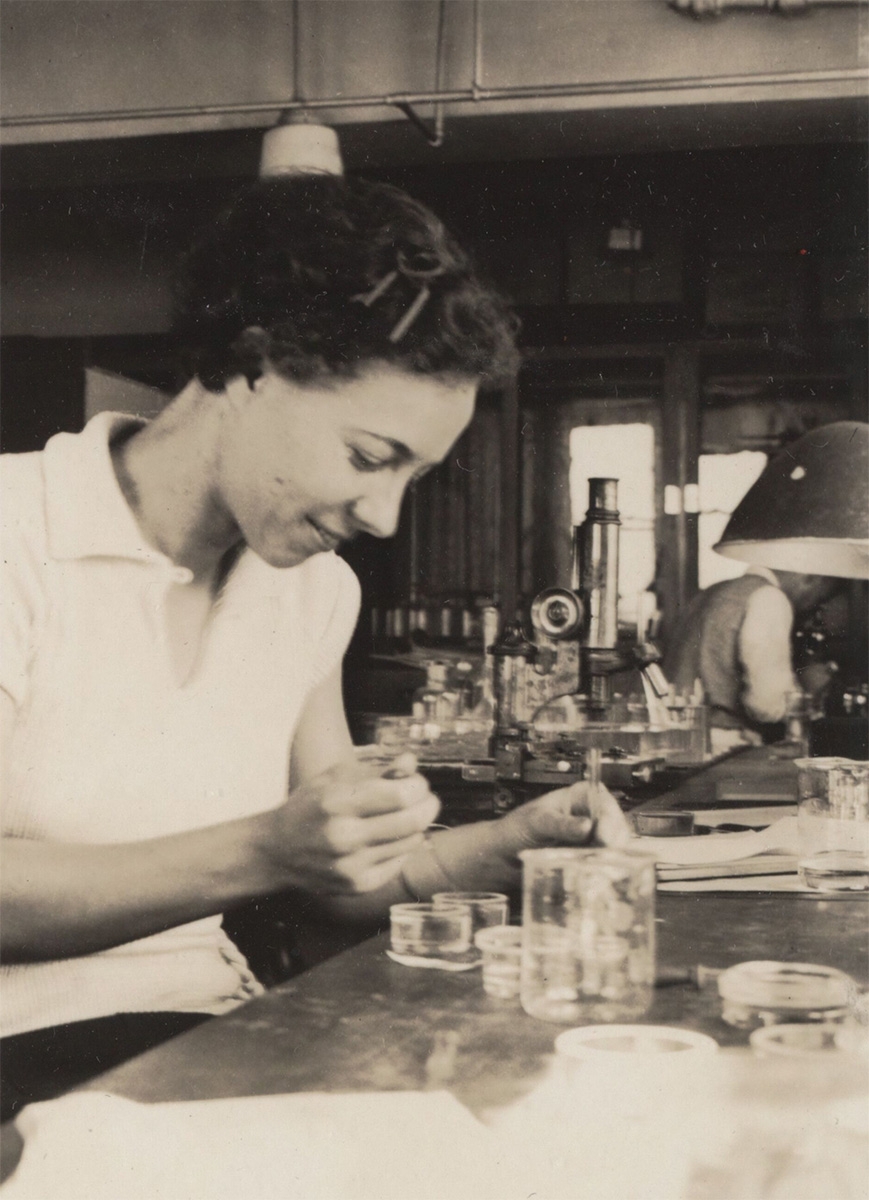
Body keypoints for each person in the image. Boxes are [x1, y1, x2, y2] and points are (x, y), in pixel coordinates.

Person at [0, 175, 628, 1116]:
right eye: (370, 458)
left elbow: (338, 881)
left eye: (414, 476)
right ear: (252, 368)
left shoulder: (308, 588)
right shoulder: (17, 536)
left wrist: (510, 848)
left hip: (207, 1043)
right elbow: (280, 855)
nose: (383, 516)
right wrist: (264, 849)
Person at [663, 566, 841, 752]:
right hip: (725, 746)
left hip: (677, 740)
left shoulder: (710, 591)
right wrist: (803, 693)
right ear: (811, 578)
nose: (812, 608)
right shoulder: (770, 598)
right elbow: (766, 706)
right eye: (819, 599)